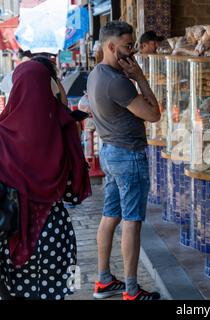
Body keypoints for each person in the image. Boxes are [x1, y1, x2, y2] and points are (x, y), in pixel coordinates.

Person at [0, 61, 92, 300]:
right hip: (52, 231)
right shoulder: (64, 128)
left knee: (14, 292)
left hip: (10, 233)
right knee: (54, 292)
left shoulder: (2, 134)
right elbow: (73, 191)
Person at [87, 21, 161, 301]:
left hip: (110, 153)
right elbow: (154, 114)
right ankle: (131, 290)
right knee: (132, 221)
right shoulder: (117, 82)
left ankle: (103, 280)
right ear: (110, 46)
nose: (132, 53)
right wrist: (140, 77)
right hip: (128, 156)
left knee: (110, 216)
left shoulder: (96, 74)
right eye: (128, 47)